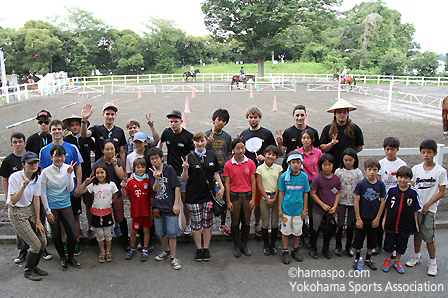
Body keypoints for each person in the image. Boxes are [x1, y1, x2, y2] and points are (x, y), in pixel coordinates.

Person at [39, 119, 83, 255]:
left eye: (59, 129)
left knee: (74, 217)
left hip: (70, 190)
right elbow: (42, 173)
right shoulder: (45, 151)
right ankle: (63, 243)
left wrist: (79, 186)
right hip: (54, 195)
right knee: (59, 222)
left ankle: (75, 242)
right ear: (50, 131)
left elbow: (78, 167)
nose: (57, 132)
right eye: (54, 129)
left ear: (63, 131)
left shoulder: (72, 147)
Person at [406, 140, 447, 276]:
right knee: (417, 232)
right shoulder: (416, 169)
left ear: (434, 153)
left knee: (429, 237)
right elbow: (411, 186)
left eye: (429, 152)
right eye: (423, 152)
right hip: (416, 208)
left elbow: (441, 192)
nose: (426, 155)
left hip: (430, 209)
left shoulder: (440, 171)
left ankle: (433, 262)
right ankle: (417, 255)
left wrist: (428, 204)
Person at [181, 132, 224, 261]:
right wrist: (185, 169)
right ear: (193, 142)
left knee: (207, 223)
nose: (200, 144)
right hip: (193, 196)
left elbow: (215, 172)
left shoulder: (211, 155)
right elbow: (184, 179)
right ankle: (198, 248)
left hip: (208, 195)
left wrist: (222, 186)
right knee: (196, 224)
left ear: (206, 141)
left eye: (202, 141)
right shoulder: (188, 157)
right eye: (197, 141)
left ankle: (206, 248)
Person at [7, 152, 48, 281]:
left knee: (43, 241)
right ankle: (28, 271)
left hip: (29, 210)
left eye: (35, 162)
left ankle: (34, 266)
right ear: (23, 164)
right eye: (30, 163)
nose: (34, 165)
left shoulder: (37, 177)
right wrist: (24, 186)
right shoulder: (15, 177)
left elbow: (36, 200)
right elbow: (13, 200)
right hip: (17, 212)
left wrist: (37, 220)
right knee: (35, 244)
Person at [40, 145, 81, 270]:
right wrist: (47, 211)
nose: (60, 158)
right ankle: (62, 258)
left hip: (65, 204)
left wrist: (69, 175)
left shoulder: (68, 168)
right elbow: (42, 193)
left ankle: (71, 257)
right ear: (51, 157)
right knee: (56, 234)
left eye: (62, 155)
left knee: (72, 234)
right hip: (52, 206)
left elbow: (69, 189)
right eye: (57, 155)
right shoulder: (46, 172)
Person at [240, 107, 277, 237]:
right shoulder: (244, 134)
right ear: (247, 118)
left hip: (263, 171)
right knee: (252, 199)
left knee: (263, 198)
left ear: (259, 118)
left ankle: (262, 224)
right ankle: (251, 224)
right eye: (250, 117)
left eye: (255, 117)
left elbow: (274, 151)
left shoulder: (266, 133)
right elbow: (240, 152)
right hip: (248, 172)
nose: (253, 120)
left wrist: (265, 158)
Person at [159, 109, 194, 236]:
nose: (173, 124)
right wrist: (160, 158)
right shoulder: (167, 133)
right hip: (169, 172)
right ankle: (171, 225)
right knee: (169, 199)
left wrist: (188, 169)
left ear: (181, 121)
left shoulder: (188, 136)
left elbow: (192, 155)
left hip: (182, 173)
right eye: (171, 122)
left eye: (175, 121)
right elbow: (160, 144)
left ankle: (188, 225)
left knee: (184, 199)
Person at [63, 115, 95, 248]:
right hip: (72, 179)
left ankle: (90, 228)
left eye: (78, 125)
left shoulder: (87, 139)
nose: (75, 127)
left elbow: (96, 150)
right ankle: (78, 230)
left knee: (89, 204)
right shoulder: (67, 140)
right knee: (75, 208)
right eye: (73, 125)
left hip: (88, 177)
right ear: (69, 128)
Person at [147, 147, 182, 270]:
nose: (155, 161)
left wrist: (176, 203)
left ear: (161, 158)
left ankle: (173, 257)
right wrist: (156, 178)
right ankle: (166, 251)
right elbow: (154, 189)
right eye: (152, 159)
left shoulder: (169, 169)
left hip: (170, 205)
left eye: (156, 158)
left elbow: (177, 186)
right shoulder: (151, 171)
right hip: (158, 206)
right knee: (160, 231)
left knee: (172, 233)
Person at [92, 139, 130, 251]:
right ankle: (103, 241)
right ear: (103, 150)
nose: (110, 151)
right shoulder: (98, 164)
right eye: (107, 149)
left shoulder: (117, 161)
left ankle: (125, 240)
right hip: (102, 196)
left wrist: (115, 165)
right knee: (103, 218)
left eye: (112, 149)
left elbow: (121, 177)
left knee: (120, 217)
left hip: (116, 194)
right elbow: (94, 180)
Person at [382, 166, 421, 274]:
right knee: (389, 243)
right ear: (397, 177)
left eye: (405, 178)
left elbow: (416, 209)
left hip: (405, 224)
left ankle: (397, 261)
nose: (402, 180)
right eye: (400, 177)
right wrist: (384, 219)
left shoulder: (413, 192)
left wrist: (416, 223)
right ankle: (387, 260)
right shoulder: (392, 191)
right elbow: (386, 206)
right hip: (391, 222)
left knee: (402, 243)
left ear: (409, 179)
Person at [0, 132, 32, 263]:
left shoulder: (30, 157)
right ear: (11, 144)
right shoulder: (8, 160)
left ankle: (40, 249)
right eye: (15, 142)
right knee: (20, 228)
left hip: (30, 198)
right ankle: (22, 250)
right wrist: (8, 198)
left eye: (20, 141)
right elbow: (4, 180)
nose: (18, 144)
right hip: (17, 200)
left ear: (25, 143)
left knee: (33, 224)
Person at [78, 164, 118, 263]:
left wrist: (109, 203)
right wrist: (85, 182)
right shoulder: (93, 186)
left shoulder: (111, 184)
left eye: (102, 173)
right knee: (99, 234)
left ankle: (108, 251)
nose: (100, 175)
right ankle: (102, 251)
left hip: (107, 212)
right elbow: (80, 191)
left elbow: (115, 196)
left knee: (108, 234)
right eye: (97, 173)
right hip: (96, 213)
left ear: (106, 173)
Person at [224, 138, 256, 258]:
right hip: (235, 196)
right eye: (238, 148)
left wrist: (253, 198)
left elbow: (253, 182)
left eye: (243, 148)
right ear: (233, 150)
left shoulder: (251, 163)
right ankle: (236, 245)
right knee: (235, 221)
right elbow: (227, 184)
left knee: (247, 221)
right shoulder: (228, 165)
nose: (241, 150)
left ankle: (244, 244)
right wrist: (228, 200)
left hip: (247, 195)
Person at [374, 137, 407, 256]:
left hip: (397, 199)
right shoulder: (381, 163)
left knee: (393, 224)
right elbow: (378, 181)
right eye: (387, 149)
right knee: (379, 224)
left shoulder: (402, 164)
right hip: (383, 199)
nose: (389, 152)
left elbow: (404, 181)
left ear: (397, 150)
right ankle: (378, 245)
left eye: (392, 149)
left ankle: (392, 247)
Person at [353, 158, 386, 271]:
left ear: (378, 171)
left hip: (374, 218)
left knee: (372, 240)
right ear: (365, 170)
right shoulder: (361, 184)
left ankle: (368, 259)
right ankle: (357, 259)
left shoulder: (381, 185)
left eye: (375, 169)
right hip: (362, 217)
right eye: (369, 169)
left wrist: (378, 218)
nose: (372, 172)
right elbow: (356, 201)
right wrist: (358, 218)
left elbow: (382, 202)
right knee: (358, 239)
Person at [278, 153, 309, 264]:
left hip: (298, 210)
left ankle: (295, 249)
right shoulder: (283, 177)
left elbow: (305, 193)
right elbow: (281, 192)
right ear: (289, 163)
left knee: (297, 232)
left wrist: (305, 209)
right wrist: (280, 209)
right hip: (286, 209)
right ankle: (285, 250)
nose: (295, 165)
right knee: (285, 231)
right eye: (293, 162)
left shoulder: (304, 177)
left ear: (301, 163)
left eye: (298, 162)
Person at [205, 108, 232, 236]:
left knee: (224, 198)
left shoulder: (227, 137)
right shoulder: (206, 135)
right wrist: (207, 143)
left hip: (222, 170)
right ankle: (208, 223)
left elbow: (229, 154)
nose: (220, 123)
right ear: (213, 120)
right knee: (208, 199)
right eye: (218, 120)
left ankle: (222, 223)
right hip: (209, 171)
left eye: (223, 121)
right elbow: (199, 152)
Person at [309, 154, 341, 259]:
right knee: (316, 228)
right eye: (324, 165)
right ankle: (313, 248)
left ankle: (326, 249)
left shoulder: (336, 179)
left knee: (329, 229)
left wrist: (335, 206)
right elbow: (313, 193)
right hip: (318, 209)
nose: (327, 167)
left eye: (329, 165)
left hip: (331, 210)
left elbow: (336, 192)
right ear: (320, 166)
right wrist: (322, 205)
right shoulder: (317, 179)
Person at [122, 158, 154, 262]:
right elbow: (124, 196)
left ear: (146, 168)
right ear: (134, 168)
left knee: (146, 230)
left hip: (146, 211)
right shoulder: (130, 182)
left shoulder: (148, 181)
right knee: (133, 231)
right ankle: (132, 248)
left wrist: (151, 210)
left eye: (142, 167)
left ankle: (145, 249)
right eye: (138, 167)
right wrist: (123, 188)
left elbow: (151, 197)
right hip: (136, 211)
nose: (140, 169)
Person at [334, 148, 363, 257]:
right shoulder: (339, 171)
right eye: (346, 160)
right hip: (341, 201)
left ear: (354, 160)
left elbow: (360, 187)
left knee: (350, 224)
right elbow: (334, 187)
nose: (348, 162)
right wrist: (333, 198)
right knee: (340, 223)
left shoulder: (358, 173)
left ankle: (348, 246)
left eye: (350, 160)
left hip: (353, 202)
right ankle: (338, 246)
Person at [296, 128, 322, 247]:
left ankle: (312, 236)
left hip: (314, 185)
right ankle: (300, 236)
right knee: (301, 210)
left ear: (312, 140)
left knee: (312, 211)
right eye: (304, 138)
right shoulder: (297, 152)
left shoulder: (318, 152)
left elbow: (321, 168)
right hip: (301, 184)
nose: (306, 140)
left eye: (308, 138)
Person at [320, 98, 364, 168]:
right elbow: (322, 148)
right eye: (339, 112)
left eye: (344, 112)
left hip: (349, 166)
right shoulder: (328, 129)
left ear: (348, 114)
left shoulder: (355, 129)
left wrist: (350, 154)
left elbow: (360, 147)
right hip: (333, 165)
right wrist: (331, 144)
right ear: (335, 114)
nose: (342, 115)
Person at [256, 145, 282, 256]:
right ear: (265, 154)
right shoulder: (260, 168)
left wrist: (275, 198)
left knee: (275, 222)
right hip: (264, 198)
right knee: (265, 222)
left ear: (276, 157)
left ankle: (273, 245)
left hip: (276, 197)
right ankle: (266, 245)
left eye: (273, 155)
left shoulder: (279, 168)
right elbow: (259, 185)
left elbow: (279, 185)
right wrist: (267, 199)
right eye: (269, 154)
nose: (271, 156)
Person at [278, 105, 320, 172]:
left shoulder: (313, 132)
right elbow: (280, 153)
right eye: (297, 115)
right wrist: (279, 144)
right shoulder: (288, 132)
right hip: (291, 168)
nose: (300, 118)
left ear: (306, 115)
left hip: (308, 169)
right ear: (293, 116)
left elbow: (316, 151)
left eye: (302, 115)